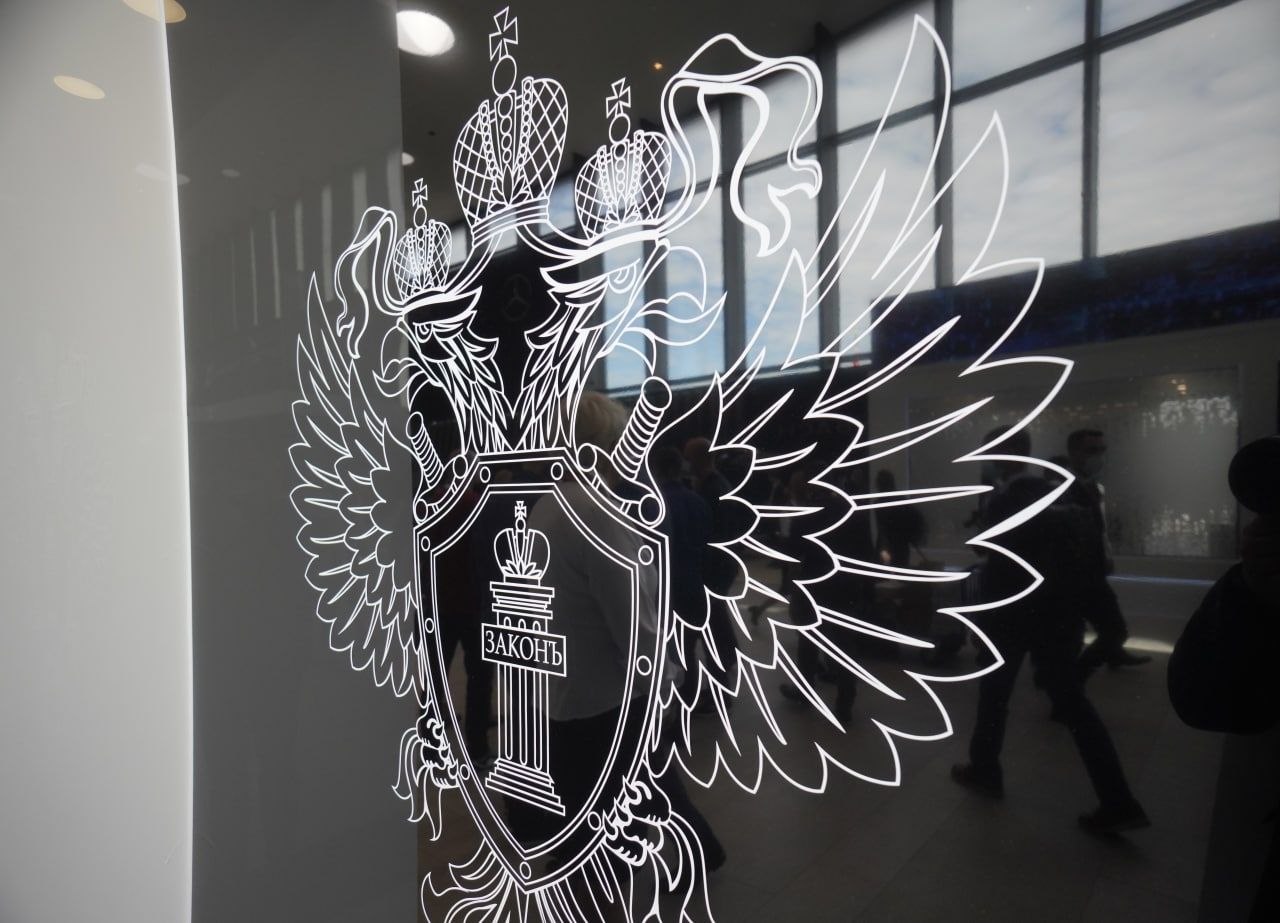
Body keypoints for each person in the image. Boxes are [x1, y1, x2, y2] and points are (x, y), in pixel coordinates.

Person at [522, 394, 725, 870]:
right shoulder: (597, 513)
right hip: (610, 698)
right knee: (636, 791)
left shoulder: (547, 507)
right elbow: (635, 624)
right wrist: (666, 687)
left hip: (567, 691)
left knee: (625, 792)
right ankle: (693, 853)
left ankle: (692, 853)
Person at [952, 428, 1150, 834]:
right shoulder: (1059, 492)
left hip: (1010, 614)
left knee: (994, 697)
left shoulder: (1005, 497)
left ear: (1005, 452)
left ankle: (985, 769)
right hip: (1058, 615)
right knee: (1075, 706)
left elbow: (989, 554)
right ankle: (1117, 799)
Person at [1063, 428, 1151, 671]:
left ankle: (1110, 656)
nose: (1099, 456)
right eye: (1092, 450)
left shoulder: (1092, 486)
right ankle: (1074, 680)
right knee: (1111, 630)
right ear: (1073, 452)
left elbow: (1097, 528)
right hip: (1077, 574)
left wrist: (1105, 555)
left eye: (1102, 450)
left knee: (1104, 627)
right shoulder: (1064, 487)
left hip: (1089, 570)